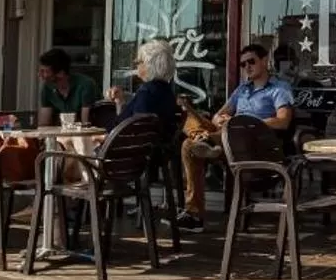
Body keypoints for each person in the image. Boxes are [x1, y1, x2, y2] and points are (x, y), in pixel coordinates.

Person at [178, 42, 295, 232]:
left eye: (251, 62)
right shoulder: (242, 89)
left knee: (190, 145)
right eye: (243, 64)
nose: (247, 67)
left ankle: (208, 143)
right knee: (189, 123)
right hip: (226, 136)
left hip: (253, 144)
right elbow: (218, 115)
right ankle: (194, 214)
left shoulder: (279, 88)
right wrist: (222, 119)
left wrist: (247, 122)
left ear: (264, 61)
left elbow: (283, 121)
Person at [108, 37, 182, 125]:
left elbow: (134, 129)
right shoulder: (166, 91)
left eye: (139, 61)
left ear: (150, 65)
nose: (135, 62)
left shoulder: (146, 92)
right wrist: (120, 102)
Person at [35, 47, 100, 128]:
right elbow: (44, 123)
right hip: (61, 134)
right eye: (40, 71)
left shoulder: (85, 85)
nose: (40, 75)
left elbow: (86, 124)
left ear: (61, 73)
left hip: (87, 134)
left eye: (45, 71)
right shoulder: (47, 88)